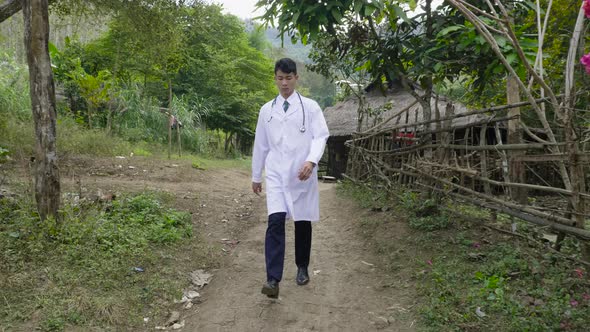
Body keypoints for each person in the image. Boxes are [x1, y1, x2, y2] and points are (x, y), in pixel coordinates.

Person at [251, 58, 329, 299]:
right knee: (274, 222)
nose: (284, 83)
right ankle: (272, 279)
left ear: (296, 78)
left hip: (301, 173)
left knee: (302, 221)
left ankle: (302, 266)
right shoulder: (266, 110)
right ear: (275, 78)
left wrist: (311, 160)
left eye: (288, 78)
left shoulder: (311, 107)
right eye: (280, 78)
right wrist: (256, 176)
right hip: (275, 174)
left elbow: (320, 136)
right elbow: (261, 145)